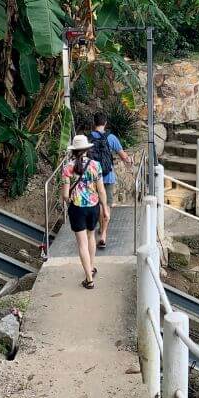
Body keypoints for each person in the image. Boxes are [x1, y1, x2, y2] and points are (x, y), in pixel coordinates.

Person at [60, 134, 109, 290]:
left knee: (82, 243)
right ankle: (91, 267)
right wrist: (105, 208)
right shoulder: (96, 165)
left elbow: (66, 195)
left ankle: (89, 279)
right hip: (93, 207)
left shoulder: (68, 167)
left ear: (74, 151)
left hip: (77, 208)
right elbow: (101, 190)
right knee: (91, 237)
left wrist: (69, 200)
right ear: (87, 149)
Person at [89, 110, 133, 249]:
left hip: (93, 176)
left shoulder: (88, 138)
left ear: (94, 123)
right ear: (105, 123)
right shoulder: (111, 137)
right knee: (106, 204)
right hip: (108, 176)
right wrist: (129, 161)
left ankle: (97, 228)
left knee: (96, 204)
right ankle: (103, 234)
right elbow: (123, 156)